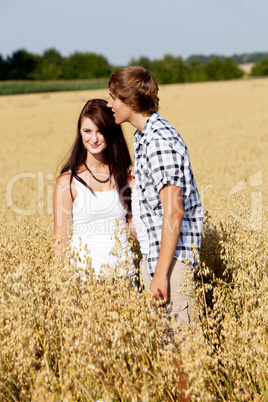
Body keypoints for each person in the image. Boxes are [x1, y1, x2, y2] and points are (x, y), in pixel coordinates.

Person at [107, 67, 203, 329]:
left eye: (113, 97)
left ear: (129, 99)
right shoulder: (144, 136)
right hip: (160, 258)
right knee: (167, 355)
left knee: (181, 356)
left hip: (171, 265)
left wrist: (160, 274)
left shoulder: (159, 139)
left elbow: (173, 212)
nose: (109, 104)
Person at [53, 98, 136, 281]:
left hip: (126, 280)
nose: (94, 139)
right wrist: (60, 295)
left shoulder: (125, 176)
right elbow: (60, 242)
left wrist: (136, 190)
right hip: (84, 283)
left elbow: (136, 231)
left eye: (100, 131)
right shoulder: (68, 182)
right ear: (80, 132)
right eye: (87, 131)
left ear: (111, 132)